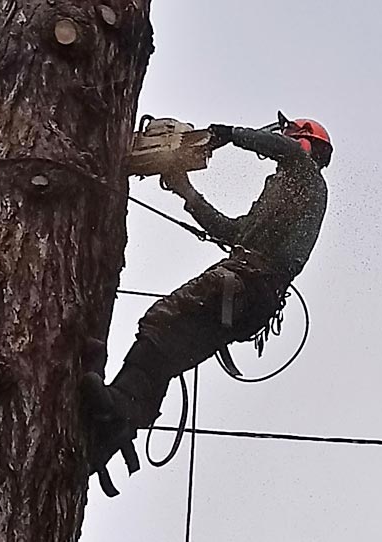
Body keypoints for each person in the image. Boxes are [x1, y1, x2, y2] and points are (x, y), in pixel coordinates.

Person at [82, 113, 333, 495]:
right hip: (252, 298)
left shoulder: (305, 176)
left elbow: (281, 149)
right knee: (168, 352)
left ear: (302, 142)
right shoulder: (287, 190)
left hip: (245, 281)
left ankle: (119, 407)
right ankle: (117, 422)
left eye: (289, 138)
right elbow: (234, 232)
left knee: (159, 320)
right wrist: (186, 192)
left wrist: (226, 134)